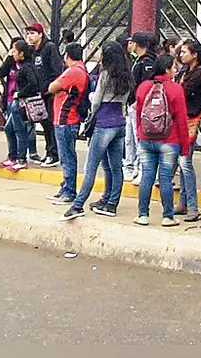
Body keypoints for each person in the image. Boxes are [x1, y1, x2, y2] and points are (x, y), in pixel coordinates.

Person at [63, 42, 133, 220]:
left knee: (91, 167)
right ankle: (111, 204)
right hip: (119, 121)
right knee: (115, 167)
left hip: (103, 122)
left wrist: (91, 106)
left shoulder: (105, 74)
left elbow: (96, 102)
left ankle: (78, 204)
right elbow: (125, 101)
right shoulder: (126, 75)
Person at [134, 54, 190, 227]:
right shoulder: (175, 89)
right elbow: (181, 120)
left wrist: (139, 133)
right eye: (173, 67)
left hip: (146, 138)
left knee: (147, 177)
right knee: (165, 179)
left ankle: (143, 215)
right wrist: (184, 147)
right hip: (169, 140)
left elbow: (138, 113)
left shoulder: (143, 87)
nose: (175, 70)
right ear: (167, 69)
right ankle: (168, 216)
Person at [45, 42, 89, 204]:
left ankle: (69, 191)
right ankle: (65, 187)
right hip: (66, 119)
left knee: (67, 156)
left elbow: (52, 87)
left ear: (67, 56)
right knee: (66, 156)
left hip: (66, 119)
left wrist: (57, 88)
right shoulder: (80, 70)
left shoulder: (74, 71)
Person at [172, 39, 201, 222]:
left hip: (190, 120)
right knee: (182, 162)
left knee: (185, 162)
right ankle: (183, 203)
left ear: (194, 54)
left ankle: (193, 206)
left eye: (185, 52)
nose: (181, 55)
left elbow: (181, 92)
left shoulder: (200, 72)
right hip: (181, 119)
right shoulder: (184, 70)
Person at [0, 39, 41, 172]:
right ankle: (12, 156)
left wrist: (20, 93)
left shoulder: (27, 67)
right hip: (11, 102)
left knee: (20, 130)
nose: (13, 53)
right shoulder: (13, 64)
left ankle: (21, 159)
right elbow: (1, 72)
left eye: (15, 51)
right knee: (8, 129)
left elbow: (33, 83)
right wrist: (10, 58)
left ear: (22, 53)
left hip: (20, 103)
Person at [26, 22, 64, 168]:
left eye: (32, 33)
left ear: (40, 34)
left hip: (49, 93)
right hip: (38, 94)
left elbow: (56, 70)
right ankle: (49, 152)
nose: (30, 36)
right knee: (44, 123)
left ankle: (54, 154)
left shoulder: (49, 48)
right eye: (28, 34)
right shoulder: (32, 51)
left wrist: (50, 88)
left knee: (50, 123)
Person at [126, 31, 157, 182]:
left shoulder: (147, 62)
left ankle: (143, 170)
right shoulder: (138, 60)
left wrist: (138, 102)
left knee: (140, 140)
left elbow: (147, 85)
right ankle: (134, 168)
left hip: (141, 107)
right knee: (131, 139)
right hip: (134, 104)